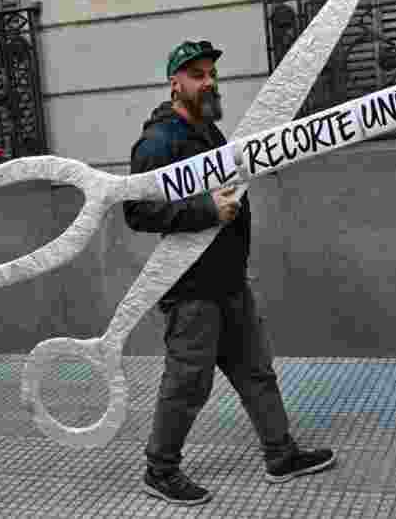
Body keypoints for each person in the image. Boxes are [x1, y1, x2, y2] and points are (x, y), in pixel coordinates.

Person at [123, 40, 336, 506]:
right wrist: (203, 210)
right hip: (192, 290)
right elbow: (137, 212)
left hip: (229, 283)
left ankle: (281, 455)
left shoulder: (210, 134)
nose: (209, 82)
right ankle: (159, 470)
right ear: (175, 83)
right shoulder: (160, 141)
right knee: (187, 383)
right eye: (197, 75)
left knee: (256, 371)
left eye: (211, 74)